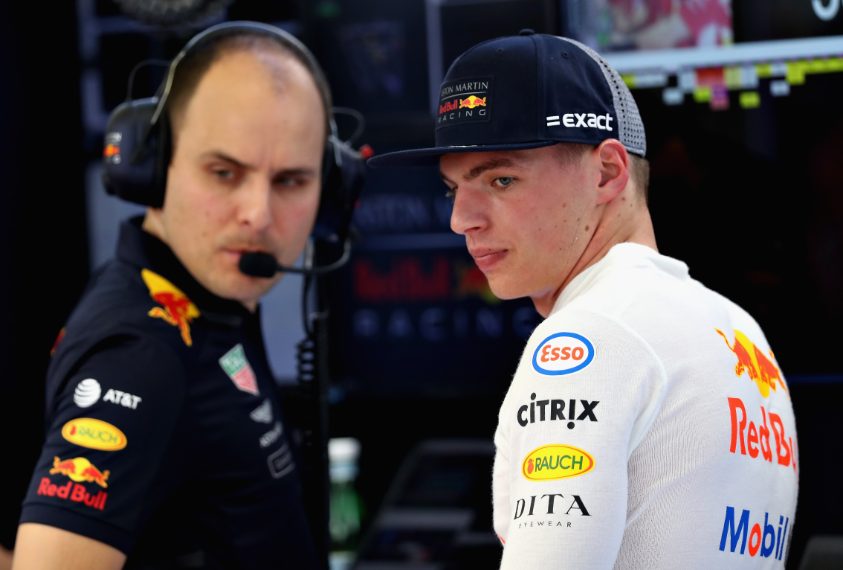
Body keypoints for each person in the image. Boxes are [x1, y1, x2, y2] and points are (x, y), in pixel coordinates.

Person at [368, 30, 798, 568]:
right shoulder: (737, 331)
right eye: (454, 189)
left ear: (607, 172)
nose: (461, 220)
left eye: (501, 180)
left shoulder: (586, 339)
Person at [13, 21, 334, 569]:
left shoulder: (208, 307)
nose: (258, 214)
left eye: (290, 181)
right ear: (152, 166)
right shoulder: (142, 356)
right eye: (224, 172)